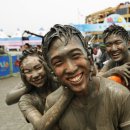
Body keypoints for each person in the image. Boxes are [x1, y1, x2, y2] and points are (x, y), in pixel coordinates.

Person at [42, 24, 130, 130]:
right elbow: (100, 75)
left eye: (75, 55)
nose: (71, 69)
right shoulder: (52, 103)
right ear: (51, 70)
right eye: (58, 62)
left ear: (90, 58)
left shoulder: (119, 95)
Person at [15, 47, 73, 130]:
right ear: (23, 75)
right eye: (28, 71)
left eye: (38, 68)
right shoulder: (26, 100)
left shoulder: (60, 83)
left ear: (46, 66)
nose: (35, 75)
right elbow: (40, 126)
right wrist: (66, 96)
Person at [97, 24, 130, 89]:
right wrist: (113, 71)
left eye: (118, 43)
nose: (113, 49)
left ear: (128, 44)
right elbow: (96, 79)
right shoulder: (112, 62)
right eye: (108, 45)